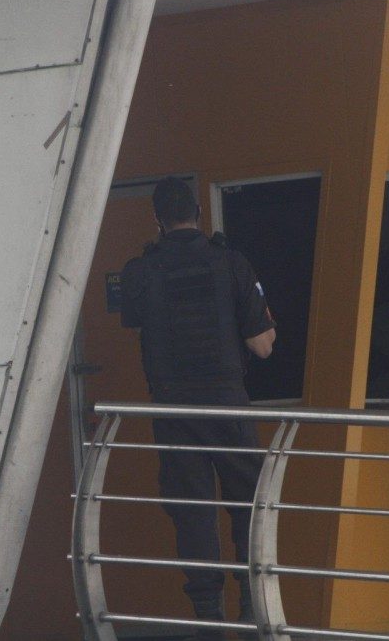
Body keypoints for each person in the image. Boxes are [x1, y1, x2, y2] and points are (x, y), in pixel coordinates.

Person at [120, 176, 276, 637]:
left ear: (157, 220)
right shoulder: (231, 263)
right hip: (228, 405)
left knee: (192, 510)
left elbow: (133, 320)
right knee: (246, 499)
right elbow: (263, 346)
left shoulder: (140, 271)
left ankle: (209, 616)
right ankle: (251, 596)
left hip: (173, 410)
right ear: (198, 214)